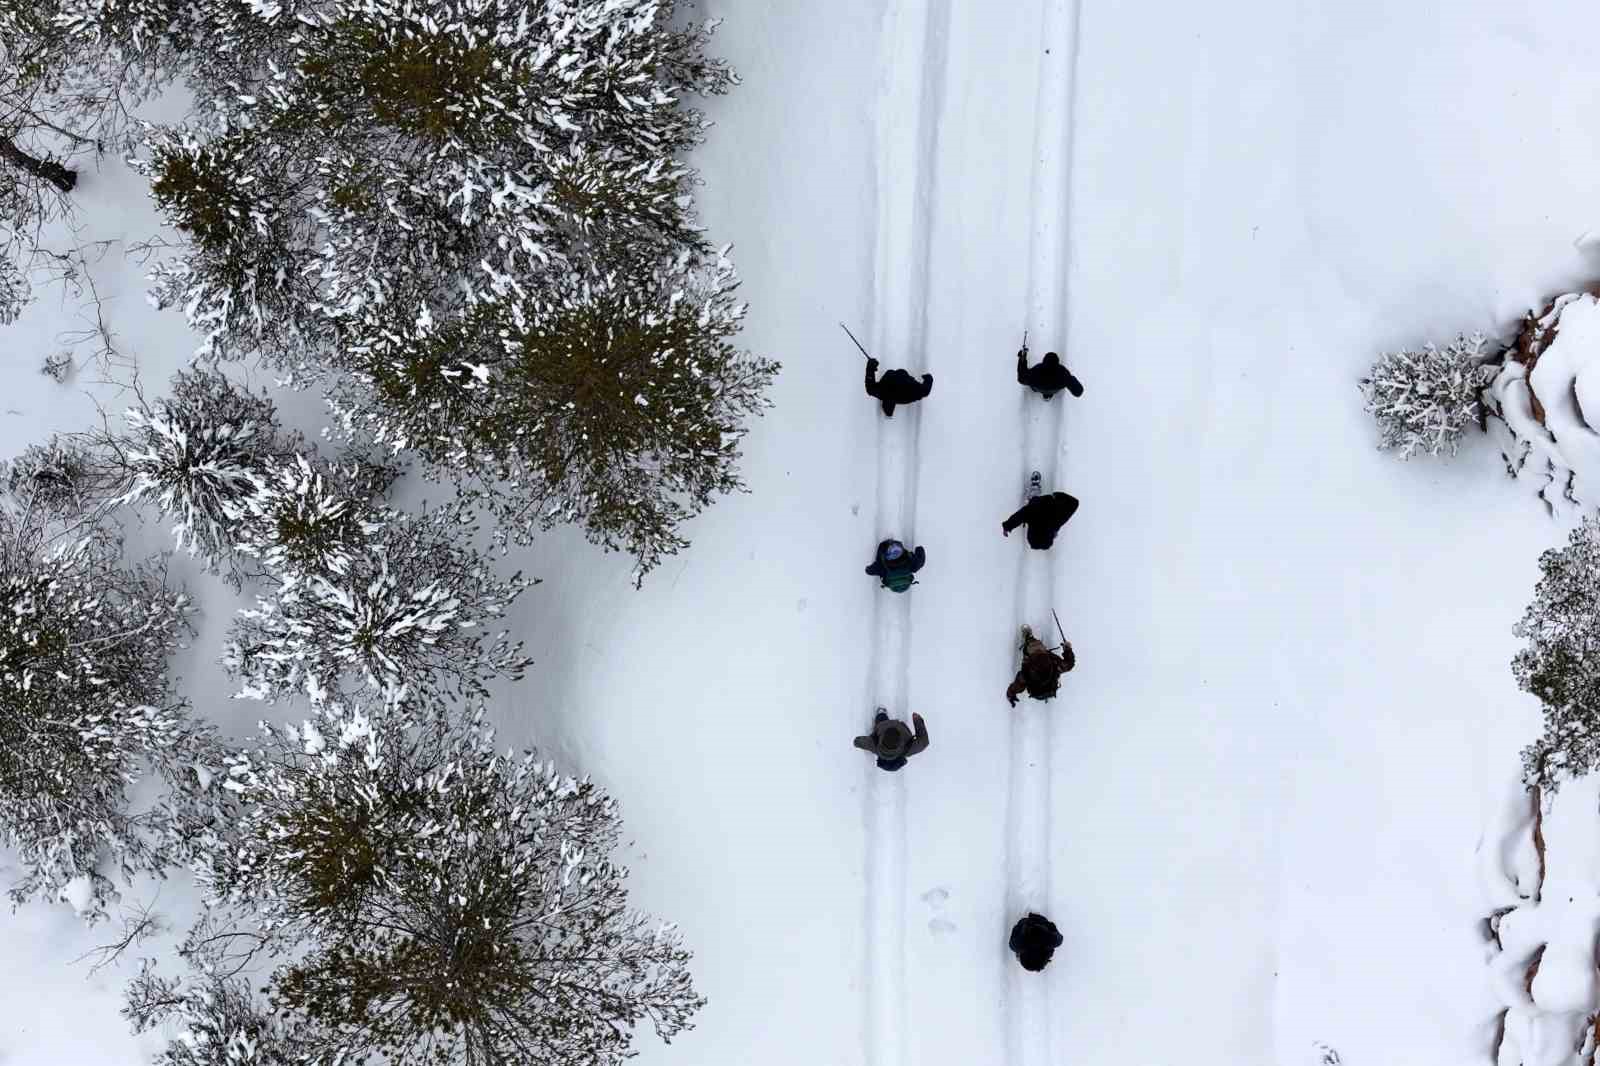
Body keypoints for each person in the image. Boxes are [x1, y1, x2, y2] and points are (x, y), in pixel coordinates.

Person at [1006, 624, 1074, 706]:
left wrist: (1011, 694)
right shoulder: (1055, 665)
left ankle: (1028, 638)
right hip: (1049, 690)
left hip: (1038, 693)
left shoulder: (1027, 673)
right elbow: (1068, 664)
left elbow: (1018, 685)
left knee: (1032, 646)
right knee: (1034, 647)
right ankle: (1029, 638)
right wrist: (1068, 650)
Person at [1002, 484, 1080, 550]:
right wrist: (1058, 495)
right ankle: (1034, 497)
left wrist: (1007, 526)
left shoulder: (1034, 510)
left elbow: (1018, 516)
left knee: (1031, 508)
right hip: (1043, 529)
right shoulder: (1057, 518)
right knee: (1032, 509)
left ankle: (1033, 497)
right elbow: (1075, 503)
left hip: (1041, 512)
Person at [853, 709, 929, 771]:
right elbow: (924, 742)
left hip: (883, 723)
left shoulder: (874, 745)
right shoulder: (907, 749)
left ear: (882, 740)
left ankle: (881, 713)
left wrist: (857, 742)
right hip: (898, 726)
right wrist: (918, 721)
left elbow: (862, 742)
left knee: (881, 717)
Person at [864, 356, 933, 417]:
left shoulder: (907, 396)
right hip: (895, 380)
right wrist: (871, 367)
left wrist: (928, 378)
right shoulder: (883, 393)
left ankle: (900, 377)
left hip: (900, 381)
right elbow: (870, 388)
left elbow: (925, 391)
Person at [1017, 346, 1083, 401]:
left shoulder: (1037, 371)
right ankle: (1048, 395)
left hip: (1037, 388)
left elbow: (1021, 378)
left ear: (1044, 360)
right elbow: (1078, 392)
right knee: (1051, 389)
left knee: (1036, 387)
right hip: (1054, 390)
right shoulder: (1062, 373)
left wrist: (1022, 358)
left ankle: (1045, 394)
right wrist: (1071, 379)